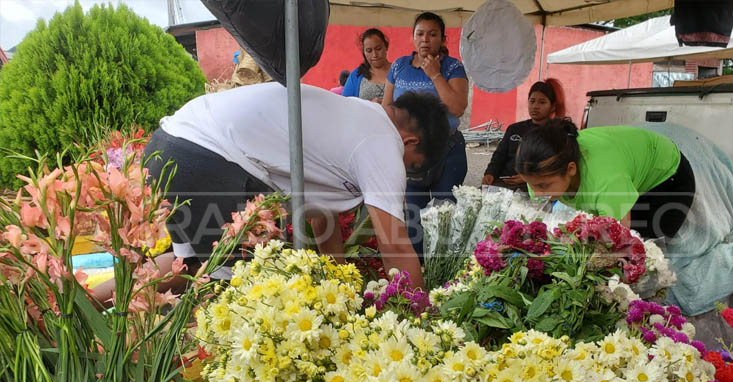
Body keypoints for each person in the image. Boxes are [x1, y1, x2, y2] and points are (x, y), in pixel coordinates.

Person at [96, 84, 448, 300]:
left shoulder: (353, 121)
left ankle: (81, 302)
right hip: (208, 157)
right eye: (410, 163)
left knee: (185, 265)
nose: (402, 171)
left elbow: (322, 220)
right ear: (410, 141)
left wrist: (340, 293)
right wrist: (418, 320)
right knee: (241, 291)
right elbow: (396, 248)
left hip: (171, 145)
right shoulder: (382, 141)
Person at [516, 119, 695, 239]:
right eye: (531, 185)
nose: (537, 192)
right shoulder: (538, 169)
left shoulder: (606, 181)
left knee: (646, 249)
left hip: (667, 178)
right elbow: (539, 221)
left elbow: (619, 240)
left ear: (571, 169)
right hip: (622, 170)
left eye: (544, 186)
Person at [383, 11, 469, 255]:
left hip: (447, 151)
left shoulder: (453, 67)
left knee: (445, 215)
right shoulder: (399, 66)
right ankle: (418, 269)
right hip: (410, 154)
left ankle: (443, 271)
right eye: (420, 34)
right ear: (412, 37)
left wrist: (435, 74)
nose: (425, 40)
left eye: (432, 34)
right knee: (413, 216)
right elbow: (387, 108)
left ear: (443, 39)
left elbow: (458, 107)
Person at [482, 78, 565, 190]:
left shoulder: (556, 133)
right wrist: (490, 174)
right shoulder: (514, 129)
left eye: (542, 102)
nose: (535, 106)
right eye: (532, 101)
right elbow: (499, 156)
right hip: (502, 183)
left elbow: (556, 166)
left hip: (534, 187)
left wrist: (528, 178)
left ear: (553, 106)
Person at [342, 28, 390, 102]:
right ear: (364, 53)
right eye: (369, 51)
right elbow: (346, 104)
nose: (374, 55)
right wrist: (370, 105)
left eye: (378, 48)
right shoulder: (356, 75)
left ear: (386, 47)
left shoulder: (398, 72)